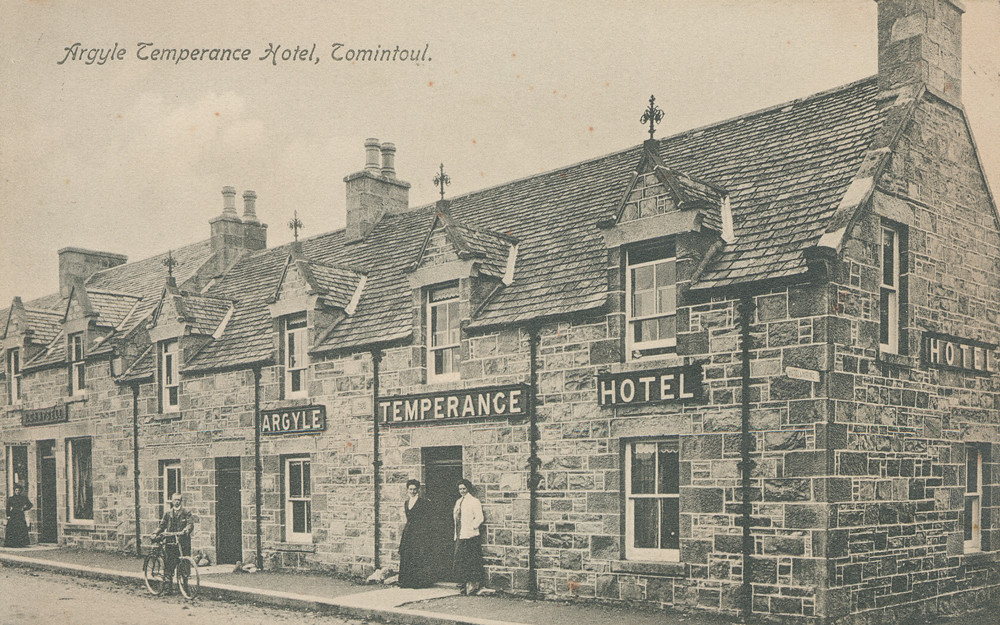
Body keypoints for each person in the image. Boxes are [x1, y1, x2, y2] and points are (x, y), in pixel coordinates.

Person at [397, 478, 435, 588]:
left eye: (414, 489)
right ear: (407, 490)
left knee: (418, 555)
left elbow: (427, 519)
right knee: (407, 555)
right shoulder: (406, 503)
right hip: (409, 531)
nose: (412, 491)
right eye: (410, 489)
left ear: (418, 490)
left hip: (419, 532)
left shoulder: (423, 502)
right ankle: (406, 581)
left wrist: (423, 532)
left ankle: (418, 582)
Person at [154, 492, 195, 592]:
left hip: (183, 542)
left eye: (179, 500)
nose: (177, 502)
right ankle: (169, 588)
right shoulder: (168, 513)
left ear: (181, 501)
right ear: (172, 501)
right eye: (175, 500)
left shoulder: (186, 512)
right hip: (170, 542)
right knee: (169, 564)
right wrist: (155, 533)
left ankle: (185, 588)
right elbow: (162, 525)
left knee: (184, 565)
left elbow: (190, 524)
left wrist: (186, 530)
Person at [452, 478, 485, 595]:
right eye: (460, 489)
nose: (462, 491)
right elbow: (456, 519)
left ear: (468, 488)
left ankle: (472, 586)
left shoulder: (474, 501)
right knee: (460, 560)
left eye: (464, 488)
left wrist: (472, 527)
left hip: (470, 536)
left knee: (471, 561)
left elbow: (479, 518)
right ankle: (462, 584)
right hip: (460, 535)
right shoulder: (458, 502)